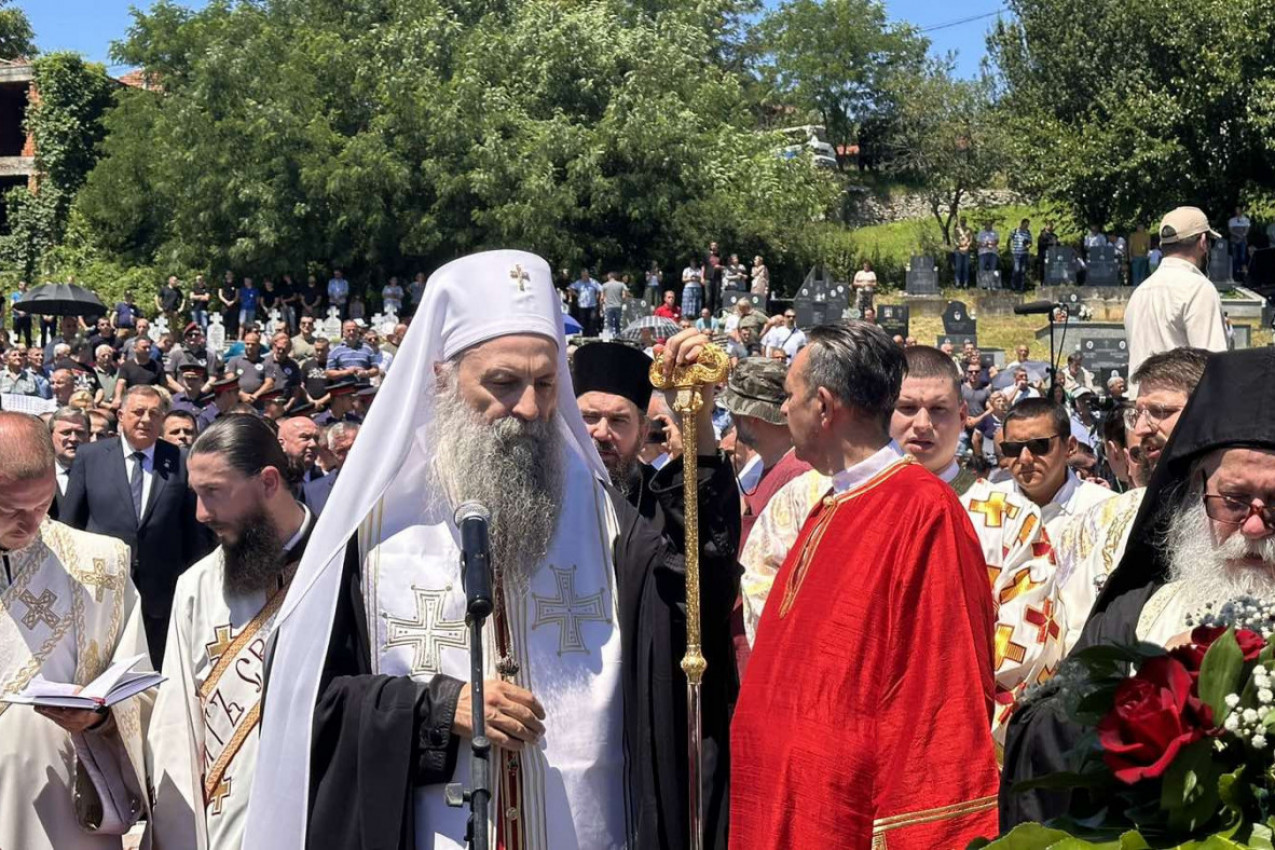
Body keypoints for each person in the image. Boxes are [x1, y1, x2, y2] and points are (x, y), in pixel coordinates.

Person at [244, 251, 740, 850]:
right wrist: (438, 707)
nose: (529, 409)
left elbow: (692, 599)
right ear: (442, 379)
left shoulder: (602, 511)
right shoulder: (373, 528)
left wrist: (699, 425)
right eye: (504, 383)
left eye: (546, 383)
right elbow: (307, 706)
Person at [731, 324, 999, 849]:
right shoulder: (828, 503)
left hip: (846, 819)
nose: (784, 411)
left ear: (825, 406)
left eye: (789, 396)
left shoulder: (923, 512)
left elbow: (941, 696)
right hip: (787, 805)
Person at [1001, 348, 1275, 829]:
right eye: (1233, 500)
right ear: (1196, 490)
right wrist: (1143, 694)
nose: (1254, 527)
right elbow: (1038, 733)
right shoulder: (1140, 611)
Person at [147, 416, 314, 850]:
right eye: (196, 495)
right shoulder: (196, 586)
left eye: (214, 493)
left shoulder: (340, 566)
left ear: (269, 482)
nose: (201, 514)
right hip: (223, 826)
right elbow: (175, 725)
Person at [0, 412, 151, 850]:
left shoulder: (100, 565)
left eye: (42, 505)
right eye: (10, 510)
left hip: (62, 800)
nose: (30, 525)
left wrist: (100, 717)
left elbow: (136, 683)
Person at [1050, 348, 1207, 652]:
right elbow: (1068, 620)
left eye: (1160, 412)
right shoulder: (1113, 516)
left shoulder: (1247, 513)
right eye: (1139, 413)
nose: (1141, 429)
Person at [63, 385, 213, 664]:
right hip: (101, 590)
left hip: (160, 595)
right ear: (121, 415)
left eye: (154, 413)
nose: (145, 419)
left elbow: (194, 532)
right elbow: (71, 525)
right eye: (138, 412)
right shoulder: (91, 457)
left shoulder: (180, 460)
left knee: (153, 674)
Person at [1124, 206, 1228, 378]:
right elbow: (1214, 366)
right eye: (1210, 242)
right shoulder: (1198, 289)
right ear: (1203, 241)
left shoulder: (1139, 293)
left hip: (1141, 402)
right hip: (1185, 402)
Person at [989, 398, 1115, 538]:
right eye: (1013, 448)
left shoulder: (1105, 510)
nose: (1025, 458)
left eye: (1038, 445)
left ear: (1070, 447)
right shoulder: (984, 508)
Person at [277, 414, 325, 486]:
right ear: (282, 444)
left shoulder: (323, 479)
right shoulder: (272, 481)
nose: (313, 444)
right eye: (305, 437)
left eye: (316, 438)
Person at [569, 267, 602, 336]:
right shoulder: (578, 282)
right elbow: (570, 288)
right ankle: (585, 334)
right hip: (582, 305)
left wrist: (598, 295)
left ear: (588, 275)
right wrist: (577, 295)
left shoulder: (593, 282)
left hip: (592, 304)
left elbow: (600, 289)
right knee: (583, 321)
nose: (584, 277)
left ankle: (592, 333)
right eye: (583, 275)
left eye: (586, 275)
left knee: (592, 319)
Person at [600, 270, 628, 335]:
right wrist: (622, 302)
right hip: (618, 306)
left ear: (609, 277)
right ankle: (618, 337)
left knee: (609, 324)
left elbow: (602, 298)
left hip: (609, 306)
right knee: (618, 323)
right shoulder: (621, 284)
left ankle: (610, 336)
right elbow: (624, 296)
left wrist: (601, 308)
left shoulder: (605, 285)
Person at [1228, 202, 1251, 279]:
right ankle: (1235, 272)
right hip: (1234, 241)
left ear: (1241, 210)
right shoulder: (1232, 220)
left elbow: (1247, 230)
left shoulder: (1246, 220)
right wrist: (1237, 236)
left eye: (1238, 210)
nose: (1237, 211)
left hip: (1243, 241)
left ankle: (1244, 272)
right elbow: (1231, 230)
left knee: (1243, 256)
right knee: (1235, 257)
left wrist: (1242, 236)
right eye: (1236, 210)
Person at [1010, 217, 1032, 291]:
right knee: (1017, 269)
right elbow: (1009, 240)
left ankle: (1021, 287)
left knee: (1023, 271)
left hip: (1024, 253)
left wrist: (1028, 245)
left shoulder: (1028, 232)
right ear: (1022, 224)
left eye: (1027, 225)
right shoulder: (1015, 231)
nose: (1026, 226)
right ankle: (1013, 286)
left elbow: (1030, 242)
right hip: (1016, 253)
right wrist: (1009, 249)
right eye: (1025, 225)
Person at [11, 278, 32, 346]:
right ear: (19, 286)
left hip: (27, 316)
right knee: (16, 333)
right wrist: (19, 312)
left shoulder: (29, 294)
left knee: (27, 334)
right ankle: (16, 346)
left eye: (24, 285)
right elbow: (12, 305)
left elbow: (31, 305)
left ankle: (29, 347)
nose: (23, 286)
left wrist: (26, 312)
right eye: (21, 285)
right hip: (17, 317)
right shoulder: (14, 294)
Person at [218, 272, 240, 339]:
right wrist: (226, 302)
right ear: (225, 275)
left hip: (234, 305)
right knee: (224, 320)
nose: (229, 276)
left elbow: (237, 295)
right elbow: (220, 295)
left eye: (230, 274)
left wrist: (232, 302)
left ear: (233, 275)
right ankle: (224, 335)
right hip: (224, 305)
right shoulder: (222, 284)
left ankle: (232, 335)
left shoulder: (236, 284)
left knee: (233, 321)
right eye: (228, 274)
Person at [954, 216, 973, 287]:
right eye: (961, 221)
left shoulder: (969, 230)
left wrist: (967, 246)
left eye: (964, 220)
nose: (963, 222)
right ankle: (957, 283)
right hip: (958, 250)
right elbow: (955, 239)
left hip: (966, 250)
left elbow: (971, 239)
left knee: (966, 267)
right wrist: (960, 245)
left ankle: (966, 283)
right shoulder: (956, 230)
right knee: (958, 267)